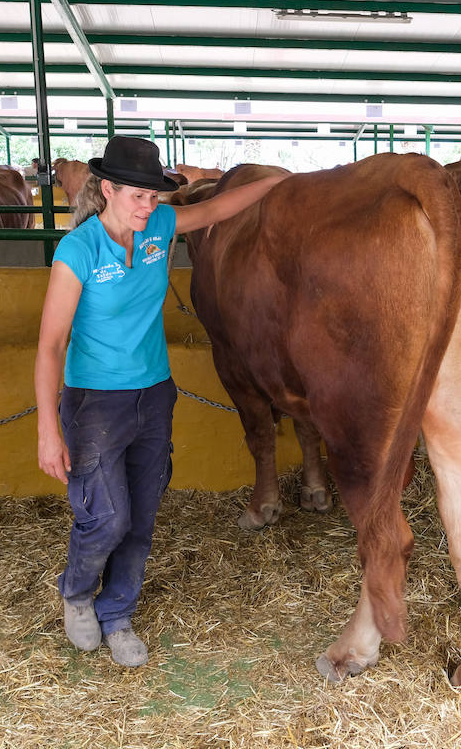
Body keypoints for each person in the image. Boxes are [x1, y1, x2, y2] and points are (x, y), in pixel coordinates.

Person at [34, 136, 285, 667]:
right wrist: (47, 431)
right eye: (138, 197)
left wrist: (284, 181)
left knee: (142, 515)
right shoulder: (78, 250)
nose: (149, 206)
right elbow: (51, 344)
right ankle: (77, 591)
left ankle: (117, 613)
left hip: (154, 395)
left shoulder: (161, 230)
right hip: (94, 402)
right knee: (107, 517)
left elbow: (219, 206)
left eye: (155, 197)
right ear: (108, 190)